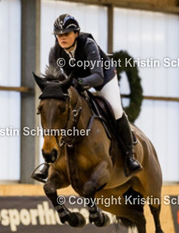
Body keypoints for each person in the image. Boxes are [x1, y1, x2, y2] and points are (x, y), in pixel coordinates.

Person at [31, 13, 142, 183]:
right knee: (59, 114)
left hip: (103, 79)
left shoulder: (88, 45)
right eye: (59, 35)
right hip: (75, 83)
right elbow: (55, 80)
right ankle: (49, 163)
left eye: (66, 34)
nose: (62, 38)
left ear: (76, 33)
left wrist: (78, 83)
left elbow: (97, 76)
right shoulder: (55, 52)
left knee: (116, 110)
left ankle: (129, 156)